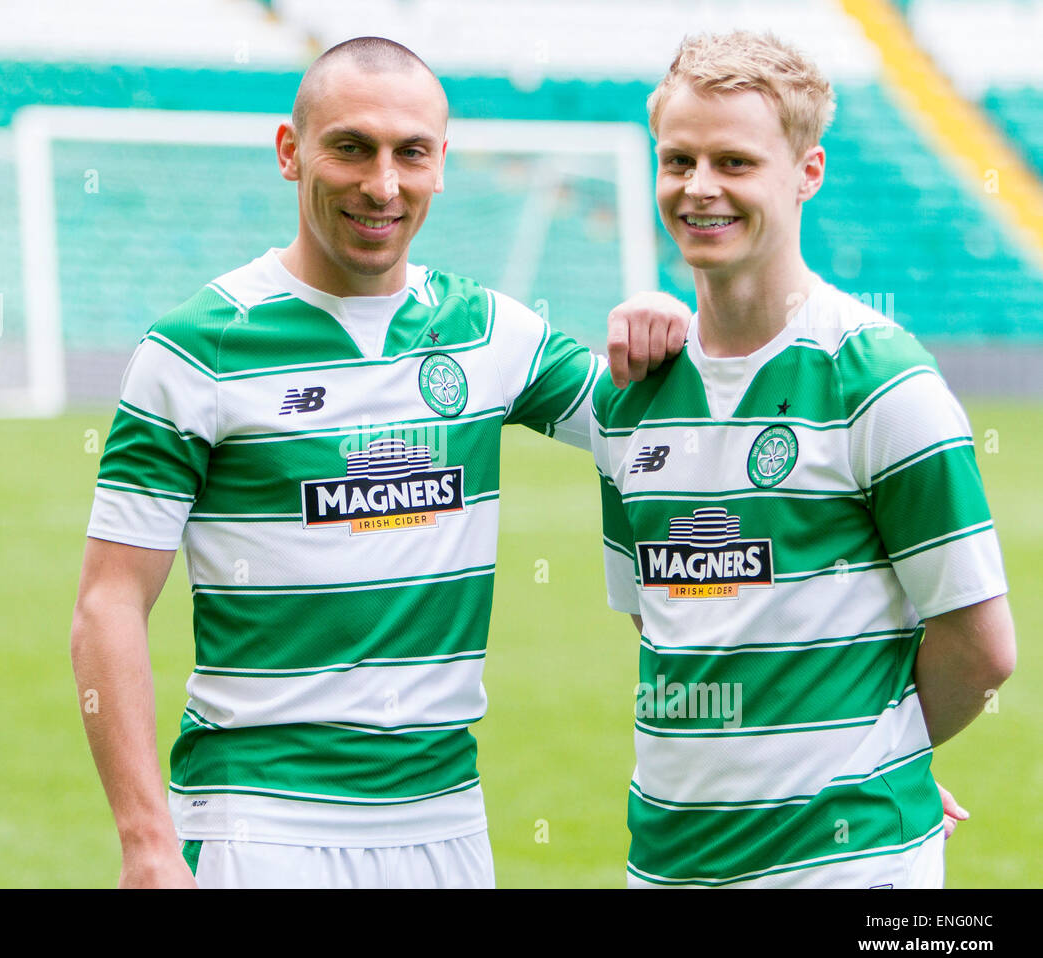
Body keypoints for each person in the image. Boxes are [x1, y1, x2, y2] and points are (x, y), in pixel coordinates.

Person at [70, 36, 688, 889]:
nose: (383, 185)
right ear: (292, 153)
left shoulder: (489, 332)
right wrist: (146, 839)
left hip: (446, 827)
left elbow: (677, 437)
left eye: (411, 153)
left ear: (443, 163)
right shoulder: (196, 349)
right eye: (351, 148)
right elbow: (109, 600)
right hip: (260, 823)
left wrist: (668, 318)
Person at [591, 30, 1016, 888]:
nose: (699, 187)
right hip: (666, 862)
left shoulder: (881, 381)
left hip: (851, 870)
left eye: (735, 162)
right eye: (679, 160)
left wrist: (877, 750)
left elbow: (982, 647)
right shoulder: (626, 394)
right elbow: (668, 622)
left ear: (806, 173)